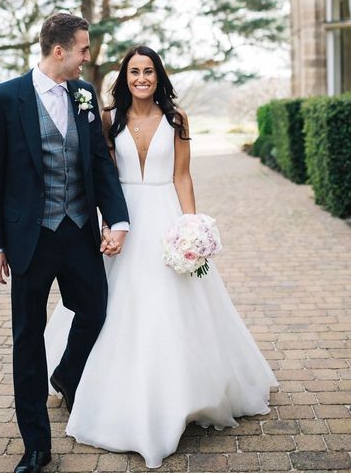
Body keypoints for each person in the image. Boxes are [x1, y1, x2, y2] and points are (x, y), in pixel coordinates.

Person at [44, 45, 278, 468]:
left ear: (158, 76)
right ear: (124, 78)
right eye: (134, 72)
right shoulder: (110, 120)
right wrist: (107, 222)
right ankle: (93, 383)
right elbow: (104, 176)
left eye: (148, 71)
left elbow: (182, 175)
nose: (141, 79)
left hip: (167, 219)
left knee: (176, 306)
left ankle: (183, 393)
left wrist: (192, 226)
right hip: (125, 223)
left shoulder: (177, 119)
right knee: (112, 305)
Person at [0, 12, 129, 473]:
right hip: (29, 238)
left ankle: (65, 374)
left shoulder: (83, 96)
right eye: (84, 49)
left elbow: (100, 166)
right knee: (27, 339)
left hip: (79, 231)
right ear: (59, 50)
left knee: (96, 310)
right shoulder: (4, 98)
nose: (89, 57)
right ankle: (37, 445)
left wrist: (117, 219)